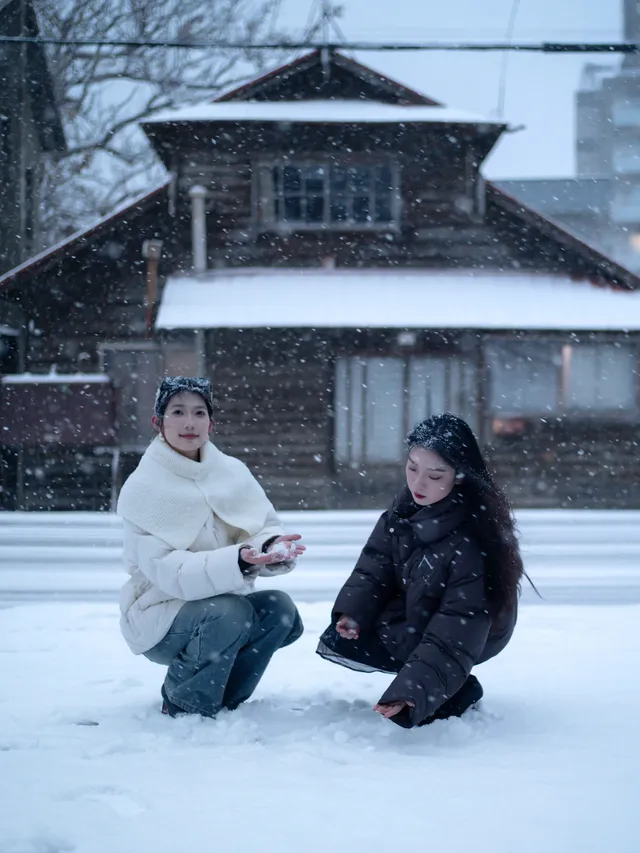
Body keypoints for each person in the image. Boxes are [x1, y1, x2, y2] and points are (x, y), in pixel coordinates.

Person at [317, 413, 525, 729]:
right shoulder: (404, 510)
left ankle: (456, 690)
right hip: (424, 608)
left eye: (435, 475)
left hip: (476, 631)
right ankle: (436, 679)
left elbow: (458, 625)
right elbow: (374, 568)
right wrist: (353, 615)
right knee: (347, 637)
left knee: (410, 644)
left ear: (458, 476)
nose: (418, 483)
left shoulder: (471, 539)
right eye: (412, 468)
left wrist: (410, 694)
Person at [117, 376, 305, 718]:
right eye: (178, 411)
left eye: (199, 413)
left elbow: (263, 526)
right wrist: (240, 562)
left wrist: (270, 545)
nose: (190, 422)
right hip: (159, 612)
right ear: (158, 422)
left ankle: (228, 699)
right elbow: (170, 572)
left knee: (280, 609)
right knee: (229, 613)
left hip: (224, 605)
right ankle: (185, 702)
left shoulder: (232, 471)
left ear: (211, 422)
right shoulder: (143, 488)